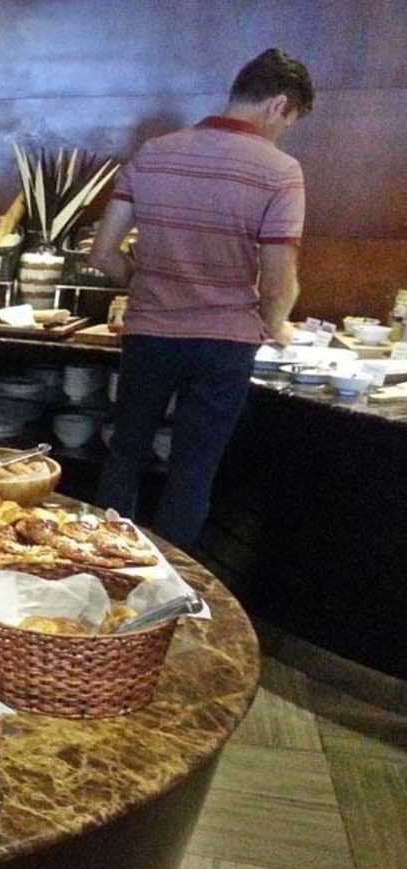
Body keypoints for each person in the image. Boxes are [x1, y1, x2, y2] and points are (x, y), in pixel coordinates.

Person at [90, 48, 311, 550]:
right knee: (192, 470)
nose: (283, 132)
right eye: (289, 121)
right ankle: (172, 585)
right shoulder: (281, 171)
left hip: (148, 334)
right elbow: (278, 283)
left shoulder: (153, 153)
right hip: (224, 344)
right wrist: (277, 324)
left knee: (125, 454)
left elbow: (102, 254)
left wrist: (143, 284)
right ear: (279, 104)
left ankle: (97, 565)